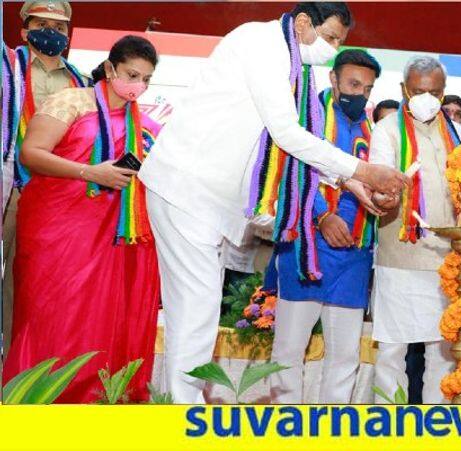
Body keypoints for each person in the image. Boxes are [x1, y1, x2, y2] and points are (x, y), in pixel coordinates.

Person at [137, 2, 407, 403]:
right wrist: (363, 172)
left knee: (195, 312)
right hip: (189, 187)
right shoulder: (262, 43)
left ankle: (181, 407)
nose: (332, 48)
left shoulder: (290, 61)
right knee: (196, 312)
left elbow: (288, 150)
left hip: (205, 199)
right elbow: (286, 132)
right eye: (330, 37)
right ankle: (182, 416)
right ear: (302, 23)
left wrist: (350, 183)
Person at [1, 36, 161, 403]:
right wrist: (91, 173)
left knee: (105, 321)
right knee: (53, 317)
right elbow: (31, 153)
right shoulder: (71, 101)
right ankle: (37, 402)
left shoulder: (148, 124)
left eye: (147, 79)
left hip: (115, 240)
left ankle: (99, 404)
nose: (138, 85)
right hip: (59, 234)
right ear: (109, 69)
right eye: (131, 75)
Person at [269, 49, 382, 403]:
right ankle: (284, 431)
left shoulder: (371, 129)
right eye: (352, 83)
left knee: (346, 355)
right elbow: (291, 171)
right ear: (332, 79)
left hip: (353, 253)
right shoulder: (304, 119)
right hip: (307, 247)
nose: (359, 93)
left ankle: (332, 429)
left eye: (367, 88)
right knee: (289, 349)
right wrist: (321, 215)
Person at [369, 56, 461, 404]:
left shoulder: (458, 133)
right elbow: (378, 179)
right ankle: (388, 426)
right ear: (403, 90)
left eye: (435, 92)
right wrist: (384, 193)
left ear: (443, 92)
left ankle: (434, 426)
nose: (427, 98)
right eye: (418, 91)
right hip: (400, 255)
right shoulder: (388, 129)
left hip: (446, 261)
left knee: (441, 351)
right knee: (392, 349)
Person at [2, 0, 88, 353]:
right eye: (42, 25)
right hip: (12, 187)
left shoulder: (81, 81)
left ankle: (30, 359)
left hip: (59, 194)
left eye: (59, 28)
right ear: (24, 31)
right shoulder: (7, 68)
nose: (51, 34)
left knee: (37, 281)